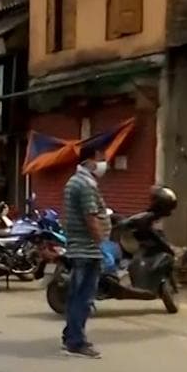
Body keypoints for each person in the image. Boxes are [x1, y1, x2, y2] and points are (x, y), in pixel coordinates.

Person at [61, 148, 110, 359]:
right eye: (101, 159)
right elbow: (91, 217)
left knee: (76, 295)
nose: (103, 164)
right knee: (83, 297)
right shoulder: (86, 184)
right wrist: (101, 242)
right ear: (90, 161)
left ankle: (70, 335)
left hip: (77, 246)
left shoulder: (74, 181)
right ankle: (76, 342)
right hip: (87, 249)